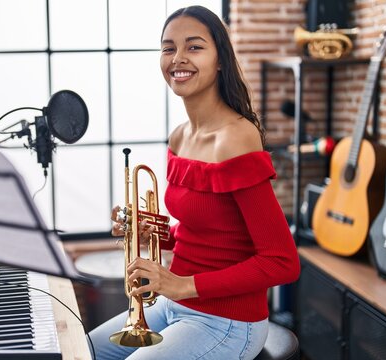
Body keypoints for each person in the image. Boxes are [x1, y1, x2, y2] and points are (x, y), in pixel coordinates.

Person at [89, 5, 300, 360]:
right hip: (174, 305)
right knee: (83, 349)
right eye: (168, 47)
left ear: (220, 60)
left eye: (194, 46)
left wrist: (181, 284)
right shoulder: (180, 137)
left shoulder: (235, 137)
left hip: (227, 321)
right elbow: (207, 233)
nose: (178, 58)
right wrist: (148, 231)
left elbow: (282, 261)